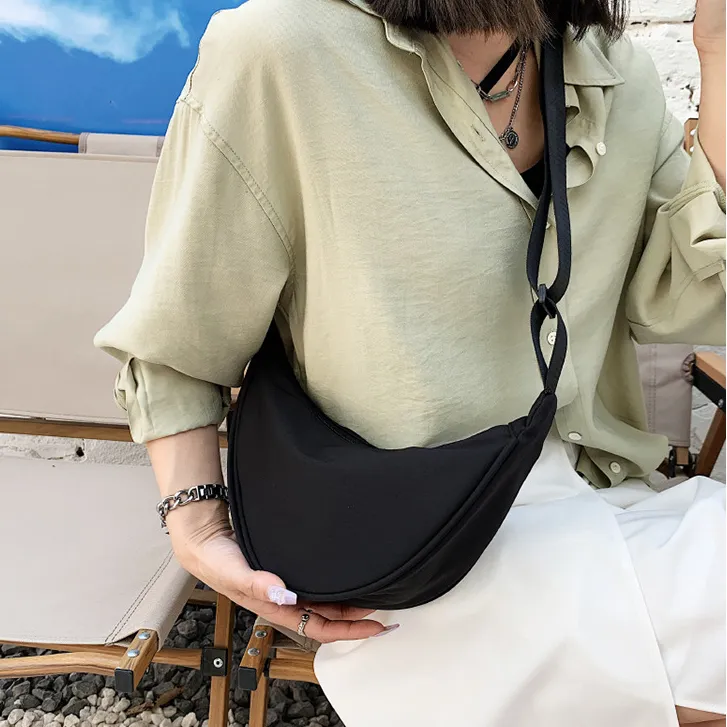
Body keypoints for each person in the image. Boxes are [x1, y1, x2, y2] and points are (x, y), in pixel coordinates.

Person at [94, 0, 726, 724]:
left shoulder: (613, 74)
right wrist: (197, 524)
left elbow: (689, 298)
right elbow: (182, 329)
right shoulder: (280, 49)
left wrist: (718, 53)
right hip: (401, 541)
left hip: (602, 497)